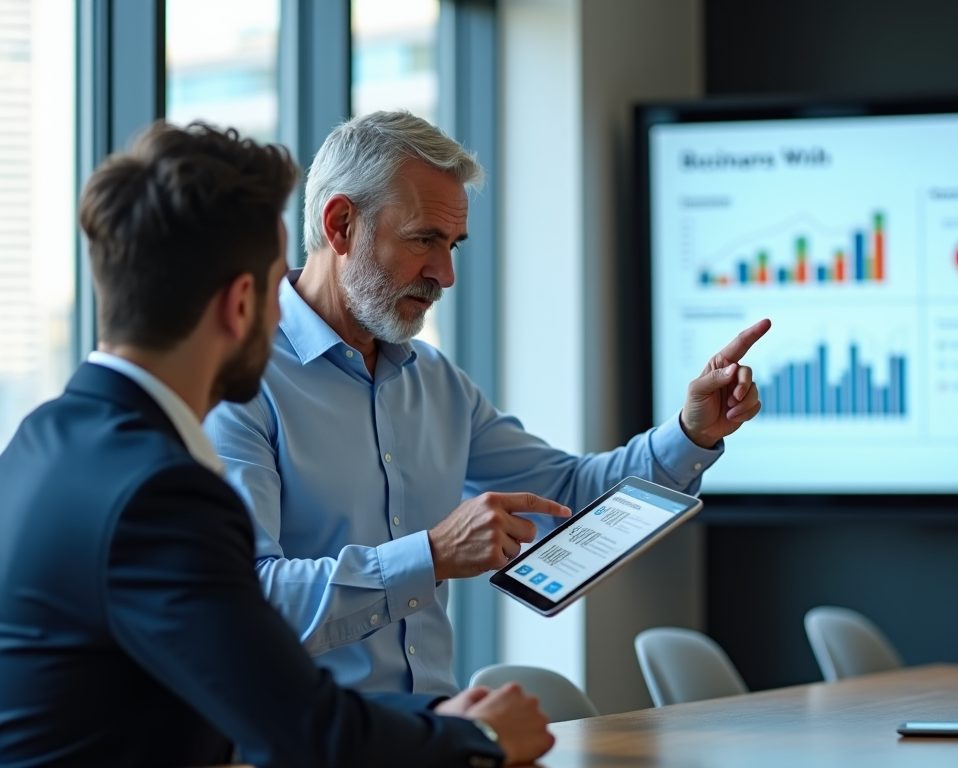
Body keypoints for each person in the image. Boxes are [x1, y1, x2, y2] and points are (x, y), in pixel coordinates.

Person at [0, 122, 553, 768]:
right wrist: (479, 739)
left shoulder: (40, 443)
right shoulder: (163, 494)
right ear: (241, 305)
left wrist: (436, 716)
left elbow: (266, 701)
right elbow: (303, 731)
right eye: (274, 287)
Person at [206, 110, 770, 697]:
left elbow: (570, 500)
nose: (445, 274)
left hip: (441, 735)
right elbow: (246, 599)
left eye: (452, 246)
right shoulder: (237, 383)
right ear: (342, 223)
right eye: (425, 239)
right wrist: (431, 554)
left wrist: (690, 434)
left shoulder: (437, 384)